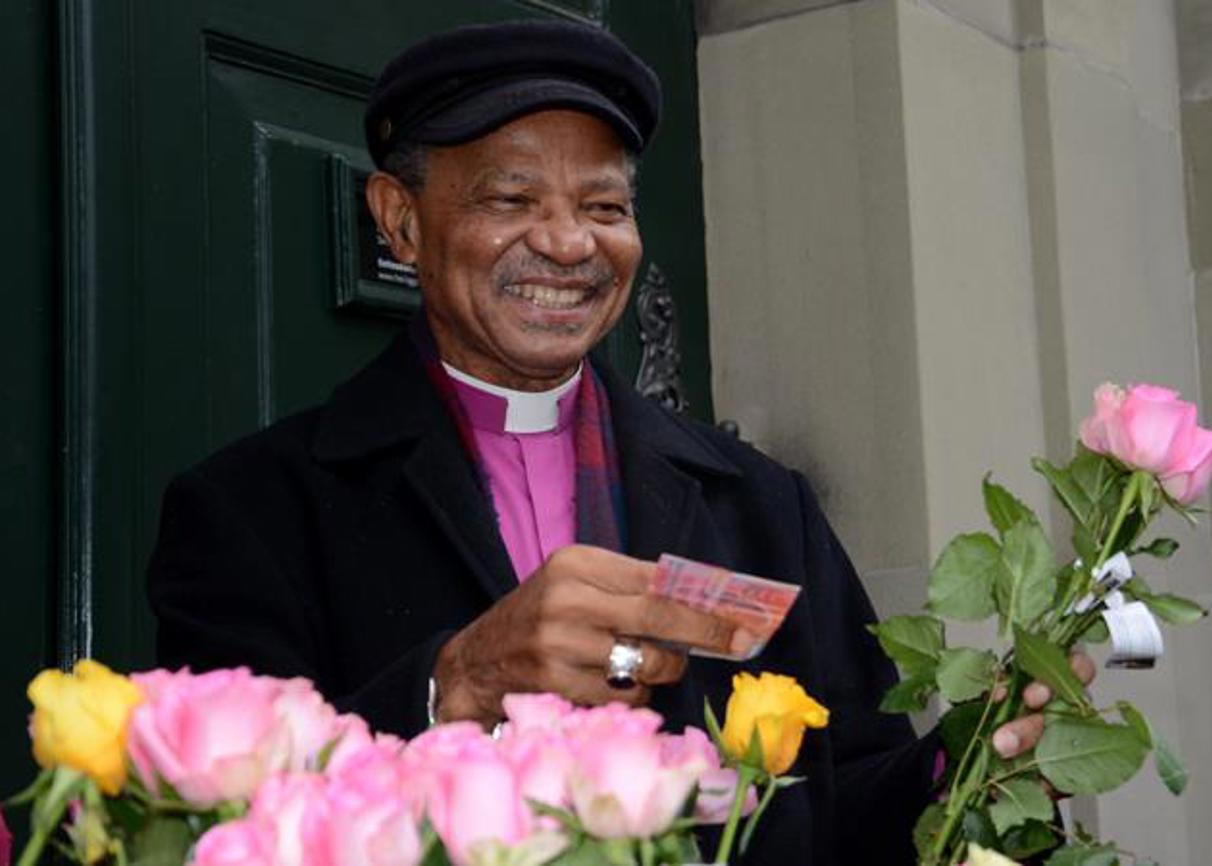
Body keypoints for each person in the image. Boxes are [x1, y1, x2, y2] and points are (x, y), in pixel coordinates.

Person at [148, 18, 1091, 863]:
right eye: (511, 201)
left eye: (604, 208)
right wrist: (454, 687)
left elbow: (850, 804)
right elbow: (212, 827)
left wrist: (964, 768)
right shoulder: (248, 513)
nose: (568, 244)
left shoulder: (761, 504)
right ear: (400, 220)